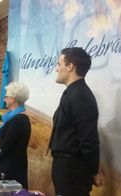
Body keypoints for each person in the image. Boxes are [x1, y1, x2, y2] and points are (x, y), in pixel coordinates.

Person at [49, 47, 100, 196]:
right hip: (65, 167)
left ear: (70, 67)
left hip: (72, 169)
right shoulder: (71, 93)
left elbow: (88, 138)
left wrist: (94, 169)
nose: (56, 69)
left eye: (59, 64)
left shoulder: (81, 96)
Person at [0, 82, 31, 189]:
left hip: (13, 166)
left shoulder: (18, 120)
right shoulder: (13, 118)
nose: (4, 99)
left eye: (6, 96)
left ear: (13, 99)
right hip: (12, 163)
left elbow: (6, 145)